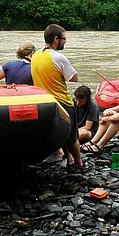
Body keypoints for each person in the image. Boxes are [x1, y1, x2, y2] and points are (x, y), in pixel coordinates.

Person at [31, 24, 88, 172]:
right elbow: (74, 78)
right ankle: (79, 163)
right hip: (62, 102)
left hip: (44, 102)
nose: (65, 41)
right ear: (56, 39)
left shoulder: (35, 56)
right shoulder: (58, 57)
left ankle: (69, 159)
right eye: (64, 38)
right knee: (72, 135)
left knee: (60, 133)